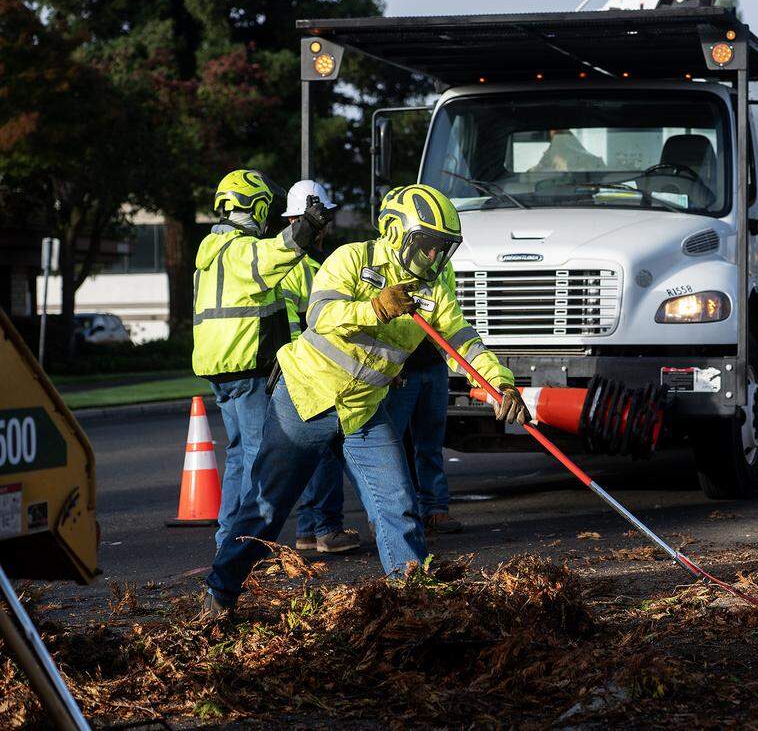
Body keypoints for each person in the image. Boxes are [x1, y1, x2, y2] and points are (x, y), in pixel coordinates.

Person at [203, 184, 531, 613]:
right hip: (305, 399)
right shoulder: (352, 259)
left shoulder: (432, 290)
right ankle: (219, 593)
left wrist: (499, 385)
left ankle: (414, 603)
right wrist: (374, 307)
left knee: (398, 505)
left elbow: (463, 341)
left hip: (363, 410)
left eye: (443, 249)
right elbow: (319, 315)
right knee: (265, 510)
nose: (435, 258)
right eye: (428, 246)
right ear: (397, 233)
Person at [192, 169, 331, 549]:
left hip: (219, 371)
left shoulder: (208, 254)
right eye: (265, 209)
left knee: (238, 457)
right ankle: (246, 549)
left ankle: (228, 541)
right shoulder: (238, 249)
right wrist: (306, 227)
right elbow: (277, 252)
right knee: (259, 459)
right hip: (247, 366)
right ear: (254, 207)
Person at [278, 180, 360, 554]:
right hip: (311, 371)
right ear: (303, 219)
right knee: (326, 452)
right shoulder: (301, 268)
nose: (326, 227)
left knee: (317, 455)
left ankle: (310, 530)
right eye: (320, 218)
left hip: (302, 369)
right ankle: (326, 528)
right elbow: (302, 325)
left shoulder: (308, 264)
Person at [384, 264, 461, 535]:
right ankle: (395, 515)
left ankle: (435, 509)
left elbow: (449, 313)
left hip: (434, 363)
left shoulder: (443, 265)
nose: (432, 253)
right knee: (391, 446)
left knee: (430, 441)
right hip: (401, 365)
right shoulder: (391, 261)